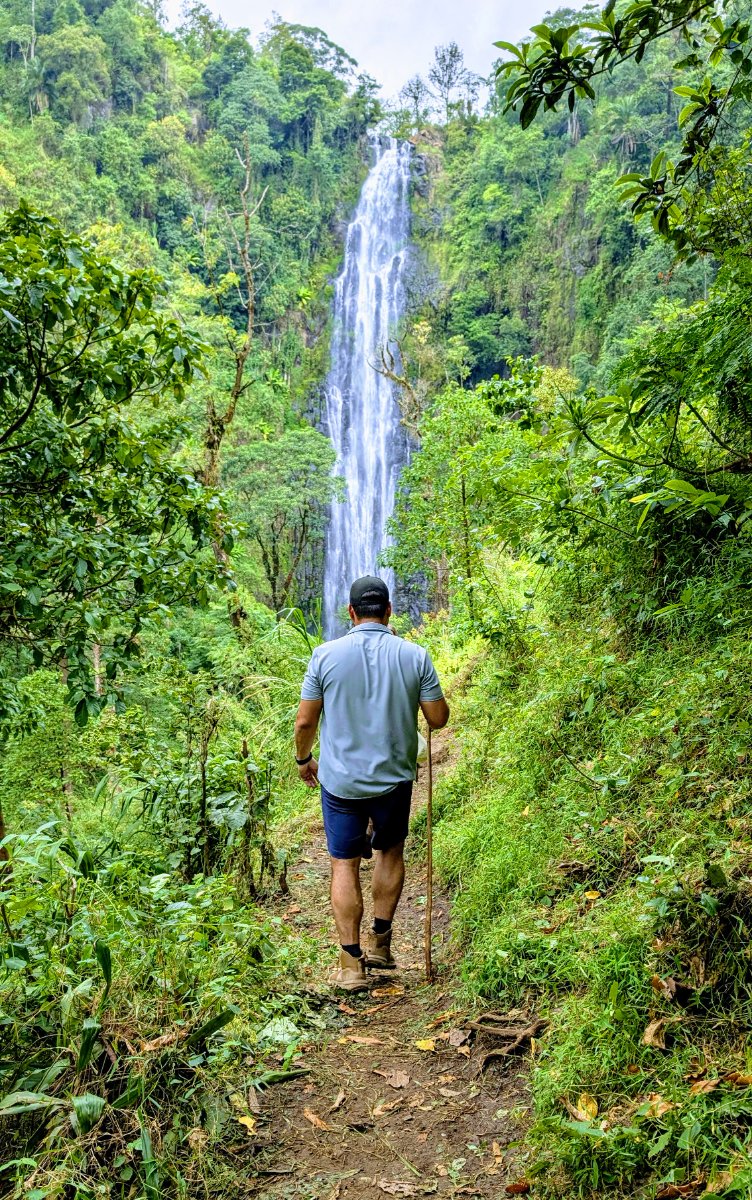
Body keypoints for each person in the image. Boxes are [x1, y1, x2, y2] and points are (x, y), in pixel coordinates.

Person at [294, 576, 449, 991]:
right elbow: (437, 719)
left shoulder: (324, 655)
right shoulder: (414, 655)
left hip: (341, 782)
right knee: (389, 852)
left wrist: (304, 759)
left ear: (350, 613)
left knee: (343, 864)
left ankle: (350, 964)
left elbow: (306, 720)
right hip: (393, 781)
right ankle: (380, 942)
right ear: (389, 612)